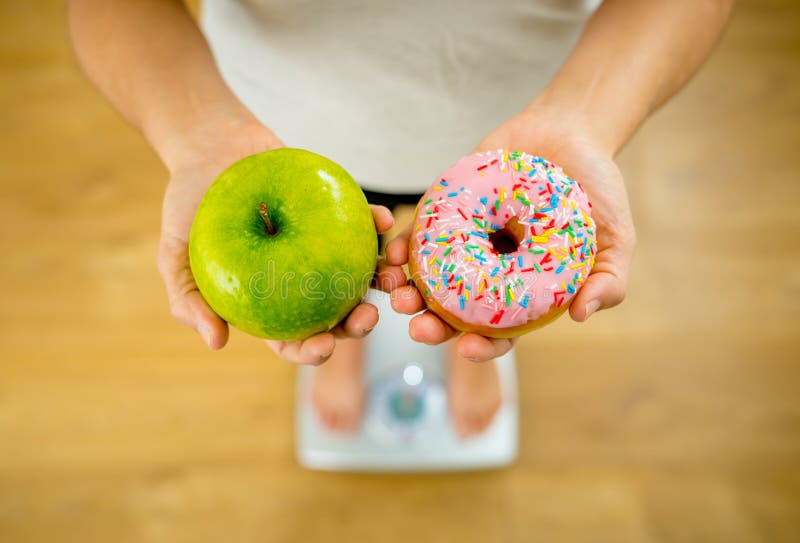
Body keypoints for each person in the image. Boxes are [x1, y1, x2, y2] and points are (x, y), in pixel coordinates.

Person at [68, 0, 732, 437]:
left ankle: (471, 339)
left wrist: (585, 119)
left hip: (529, 126)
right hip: (276, 141)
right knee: (338, 285)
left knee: (457, 305)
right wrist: (195, 133)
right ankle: (342, 339)